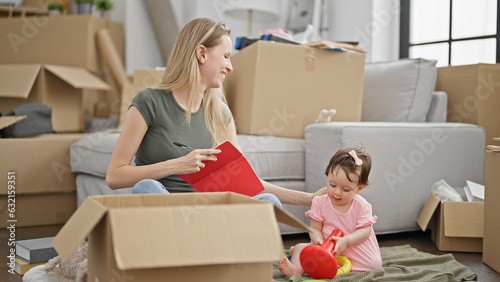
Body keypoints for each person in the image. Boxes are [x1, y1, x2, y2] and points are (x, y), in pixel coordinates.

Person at [105, 17, 325, 208]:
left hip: (210, 212)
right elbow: (115, 176)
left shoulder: (220, 113)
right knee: (147, 188)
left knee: (268, 201)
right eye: (226, 56)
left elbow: (247, 183)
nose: (230, 67)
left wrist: (309, 199)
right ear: (201, 53)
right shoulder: (149, 101)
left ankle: (210, 247)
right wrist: (178, 165)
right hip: (166, 211)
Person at [279, 148, 382, 276]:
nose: (337, 192)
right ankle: (295, 270)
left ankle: (328, 265)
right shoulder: (320, 202)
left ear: (359, 188)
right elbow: (315, 229)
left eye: (345, 189)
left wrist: (346, 241)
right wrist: (318, 240)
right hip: (326, 246)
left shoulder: (362, 206)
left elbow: (365, 231)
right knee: (300, 248)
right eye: (332, 185)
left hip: (353, 248)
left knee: (374, 264)